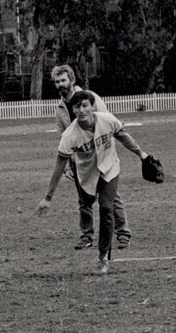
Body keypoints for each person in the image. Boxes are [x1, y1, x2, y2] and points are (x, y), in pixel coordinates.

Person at [36, 90, 153, 275]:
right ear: (73, 110)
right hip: (86, 175)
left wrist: (141, 154)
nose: (81, 110)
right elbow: (59, 166)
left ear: (92, 106)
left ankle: (103, 256)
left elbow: (122, 135)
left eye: (85, 105)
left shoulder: (107, 120)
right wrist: (48, 197)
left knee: (106, 207)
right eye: (77, 106)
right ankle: (88, 236)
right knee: (86, 203)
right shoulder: (69, 136)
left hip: (109, 167)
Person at [51, 65, 131, 251]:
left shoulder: (89, 97)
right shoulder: (61, 108)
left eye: (63, 80)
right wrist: (68, 166)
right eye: (57, 82)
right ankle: (87, 236)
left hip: (101, 153)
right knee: (84, 199)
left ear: (71, 80)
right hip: (80, 158)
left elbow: (106, 120)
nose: (61, 84)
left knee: (110, 196)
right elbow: (63, 138)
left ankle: (123, 234)